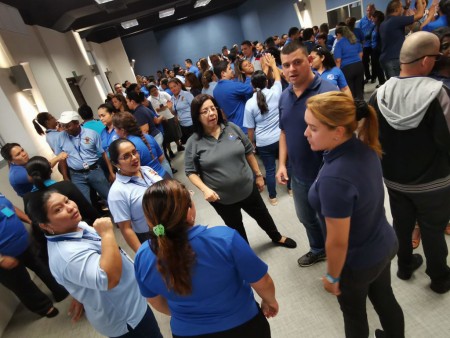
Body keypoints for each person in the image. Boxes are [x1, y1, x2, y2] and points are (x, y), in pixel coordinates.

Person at [305, 92, 404, 338]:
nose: (305, 133)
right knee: (385, 298)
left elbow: (338, 241)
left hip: (358, 262)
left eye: (313, 128)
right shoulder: (364, 146)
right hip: (383, 243)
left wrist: (332, 275)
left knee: (354, 315)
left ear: (338, 131)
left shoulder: (334, 179)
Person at [134, 180, 278, 338]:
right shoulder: (225, 239)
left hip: (186, 332)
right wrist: (269, 301)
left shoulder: (143, 256)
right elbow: (262, 281)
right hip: (243, 325)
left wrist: (188, 316)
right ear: (189, 210)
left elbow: (156, 302)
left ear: (149, 219)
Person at [369, 31, 450, 294]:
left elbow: (370, 139)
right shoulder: (439, 94)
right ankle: (439, 279)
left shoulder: (378, 95)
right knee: (433, 230)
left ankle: (404, 265)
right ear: (427, 61)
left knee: (401, 224)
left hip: (394, 180)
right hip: (434, 182)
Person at [27, 191, 162, 338]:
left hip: (131, 298)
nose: (70, 207)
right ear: (45, 225)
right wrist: (107, 234)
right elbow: (109, 278)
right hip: (127, 318)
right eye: (58, 209)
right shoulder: (67, 255)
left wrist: (80, 292)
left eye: (67, 201)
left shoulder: (77, 226)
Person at [185, 94, 296, 248]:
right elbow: (190, 171)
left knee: (263, 215)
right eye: (205, 111)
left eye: (213, 108)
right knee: (235, 227)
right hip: (222, 198)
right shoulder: (193, 142)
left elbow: (249, 151)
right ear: (197, 116)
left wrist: (258, 175)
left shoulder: (231, 128)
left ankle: (276, 237)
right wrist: (205, 189)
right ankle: (245, 252)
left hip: (247, 188)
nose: (211, 113)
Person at [276, 41, 337, 267]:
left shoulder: (328, 92)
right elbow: (284, 132)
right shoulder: (284, 97)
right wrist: (282, 165)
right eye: (286, 65)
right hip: (299, 175)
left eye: (297, 62)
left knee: (332, 221)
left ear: (309, 61)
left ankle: (340, 258)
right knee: (306, 218)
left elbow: (344, 137)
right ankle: (318, 249)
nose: (291, 69)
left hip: (328, 175)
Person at [0, 193, 68, 318]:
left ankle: (59, 290)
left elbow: (10, 207)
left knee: (41, 266)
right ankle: (44, 307)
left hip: (23, 242)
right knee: (22, 283)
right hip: (5, 254)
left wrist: (29, 220)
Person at [243, 54, 288, 206]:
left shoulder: (249, 104)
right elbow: (278, 78)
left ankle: (273, 197)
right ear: (266, 82)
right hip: (280, 138)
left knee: (269, 169)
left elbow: (250, 129)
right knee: (287, 164)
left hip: (263, 142)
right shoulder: (276, 92)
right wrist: (272, 65)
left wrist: (251, 144)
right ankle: (290, 189)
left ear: (251, 85)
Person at [108, 139, 163, 252]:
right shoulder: (117, 193)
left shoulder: (147, 170)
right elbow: (126, 229)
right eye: (126, 156)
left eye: (134, 152)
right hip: (150, 235)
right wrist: (143, 255)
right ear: (115, 163)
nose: (134, 158)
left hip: (170, 222)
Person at [112, 112, 171, 179]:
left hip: (152, 182)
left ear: (122, 130)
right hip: (164, 175)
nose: (114, 132)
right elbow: (161, 157)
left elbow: (131, 171)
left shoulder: (128, 146)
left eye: (115, 128)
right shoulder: (147, 136)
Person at [0, 143, 67, 198]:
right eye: (18, 154)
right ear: (11, 160)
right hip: (36, 200)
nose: (23, 154)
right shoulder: (16, 174)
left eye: (22, 150)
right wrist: (58, 158)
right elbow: (40, 171)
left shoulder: (24, 163)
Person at [379, 0, 425, 79]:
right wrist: (420, 1)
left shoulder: (386, 22)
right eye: (401, 7)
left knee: (394, 84)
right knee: (398, 85)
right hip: (393, 60)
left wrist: (406, 7)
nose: (402, 9)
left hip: (386, 59)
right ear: (396, 9)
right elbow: (420, 15)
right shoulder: (395, 20)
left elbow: (402, 19)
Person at [213, 60, 253, 133]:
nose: (232, 70)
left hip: (233, 128)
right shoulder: (233, 86)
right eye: (229, 69)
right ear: (223, 73)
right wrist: (248, 76)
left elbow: (222, 112)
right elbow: (250, 88)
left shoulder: (215, 91)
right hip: (244, 126)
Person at [148, 85, 183, 160]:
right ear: (150, 92)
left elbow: (172, 101)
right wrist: (165, 107)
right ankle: (170, 151)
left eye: (155, 89)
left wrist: (163, 108)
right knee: (166, 137)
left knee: (175, 133)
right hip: (162, 120)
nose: (154, 92)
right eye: (152, 91)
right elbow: (155, 111)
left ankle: (179, 145)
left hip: (170, 115)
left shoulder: (163, 93)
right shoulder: (149, 100)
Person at [334, 26, 364, 99]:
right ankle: (362, 107)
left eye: (336, 36)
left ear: (339, 34)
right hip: (359, 66)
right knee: (359, 90)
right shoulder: (355, 40)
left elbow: (338, 60)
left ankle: (353, 108)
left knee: (350, 91)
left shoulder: (339, 44)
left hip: (347, 68)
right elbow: (361, 54)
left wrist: (337, 72)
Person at [168, 78, 194, 144]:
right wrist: (170, 108)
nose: (173, 89)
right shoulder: (172, 98)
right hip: (182, 125)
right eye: (171, 88)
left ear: (179, 85)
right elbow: (174, 113)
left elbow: (195, 107)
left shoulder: (187, 94)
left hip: (192, 123)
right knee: (189, 145)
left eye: (174, 86)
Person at [358, 3, 377, 84]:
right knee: (364, 62)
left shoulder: (375, 20)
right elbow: (359, 32)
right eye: (367, 10)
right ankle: (368, 76)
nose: (368, 12)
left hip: (373, 44)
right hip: (365, 45)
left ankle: (374, 77)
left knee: (374, 62)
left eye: (370, 10)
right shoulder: (362, 21)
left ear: (373, 10)